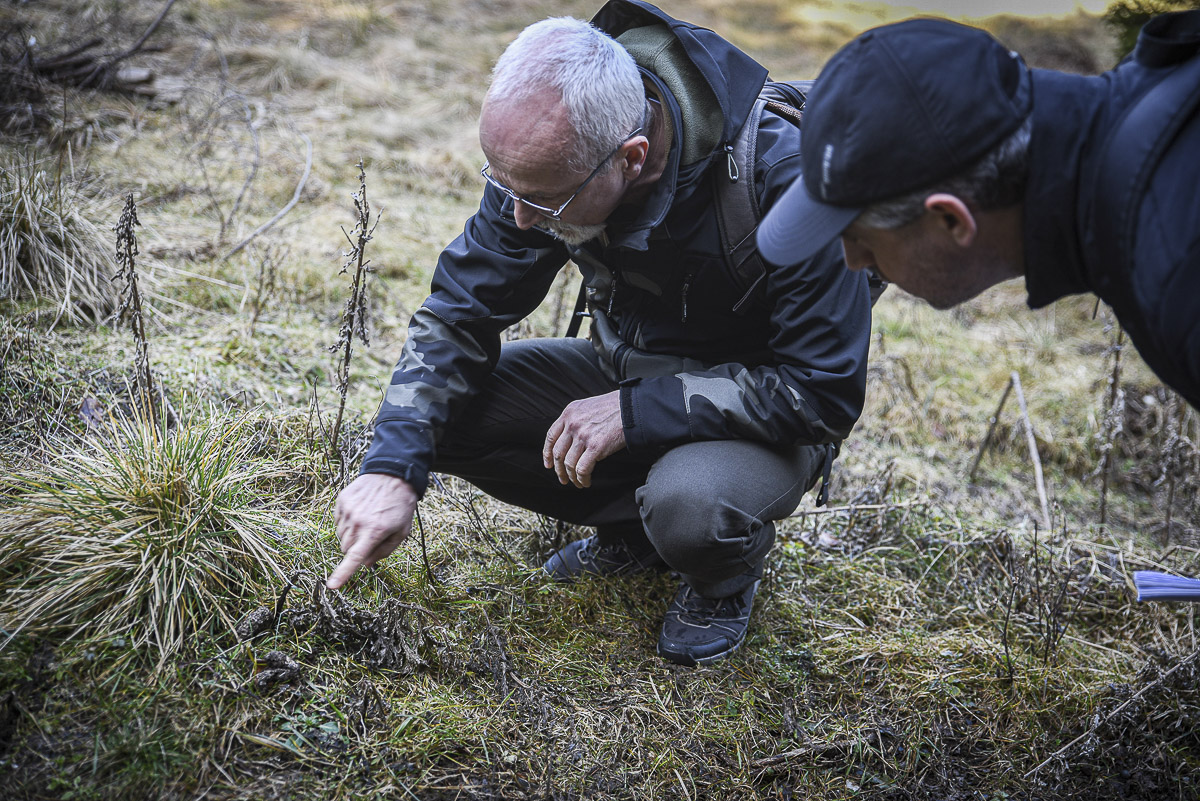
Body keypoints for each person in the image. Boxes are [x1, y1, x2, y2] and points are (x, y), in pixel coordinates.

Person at [328, 0, 872, 666]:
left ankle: (720, 575)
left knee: (689, 505)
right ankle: (634, 533)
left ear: (632, 157)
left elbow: (823, 392)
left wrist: (636, 414)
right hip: (625, 370)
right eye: (505, 187)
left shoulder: (787, 180)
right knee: (443, 417)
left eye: (542, 201)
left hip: (762, 418)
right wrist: (391, 470)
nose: (521, 218)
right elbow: (459, 311)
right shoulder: (548, 158)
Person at [756, 12, 1200, 409]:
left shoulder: (1175, 275)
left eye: (862, 240)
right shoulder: (1144, 120)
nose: (853, 261)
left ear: (951, 220)